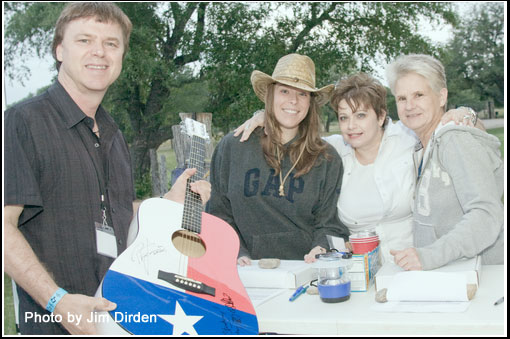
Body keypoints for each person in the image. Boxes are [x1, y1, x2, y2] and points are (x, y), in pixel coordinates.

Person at [4, 3, 210, 335]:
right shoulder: (23, 122)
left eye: (111, 44)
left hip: (117, 318)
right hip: (55, 323)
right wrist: (58, 302)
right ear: (59, 49)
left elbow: (113, 212)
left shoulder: (112, 134)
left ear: (121, 56)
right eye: (84, 40)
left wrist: (168, 202)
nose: (99, 52)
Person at [236, 73, 479, 264]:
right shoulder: (330, 153)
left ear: (381, 115)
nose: (351, 126)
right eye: (343, 117)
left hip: (417, 263)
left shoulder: (407, 139)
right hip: (357, 271)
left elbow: (455, 132)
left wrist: (465, 114)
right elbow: (290, 131)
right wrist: (262, 116)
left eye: (361, 115)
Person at [208, 53, 350, 266]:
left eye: (302, 94)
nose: (293, 101)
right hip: (244, 269)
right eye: (284, 91)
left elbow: (329, 224)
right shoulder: (233, 148)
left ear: (310, 103)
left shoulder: (326, 158)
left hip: (303, 269)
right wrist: (237, 253)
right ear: (270, 96)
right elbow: (217, 213)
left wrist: (320, 249)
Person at [386, 54, 503, 270]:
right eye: (402, 98)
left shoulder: (454, 139)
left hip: (482, 277)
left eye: (419, 95)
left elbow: (486, 215)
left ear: (441, 97)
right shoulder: (421, 146)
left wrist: (429, 256)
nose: (409, 106)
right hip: (447, 276)